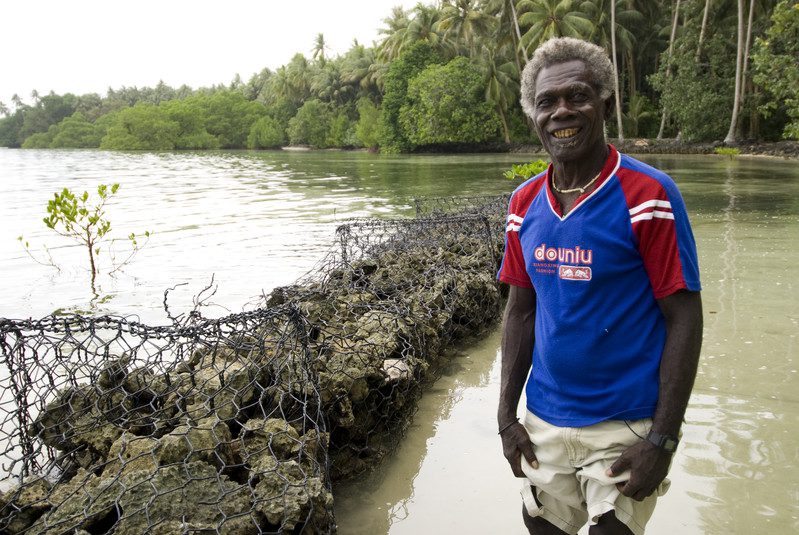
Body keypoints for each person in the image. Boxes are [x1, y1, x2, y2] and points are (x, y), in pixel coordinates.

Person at [497, 37, 703, 535]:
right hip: (543, 423)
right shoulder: (524, 204)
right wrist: (506, 417)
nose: (562, 112)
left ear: (605, 103)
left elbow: (685, 318)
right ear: (533, 116)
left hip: (625, 428)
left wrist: (662, 439)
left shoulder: (648, 196)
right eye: (547, 102)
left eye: (577, 97)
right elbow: (520, 313)